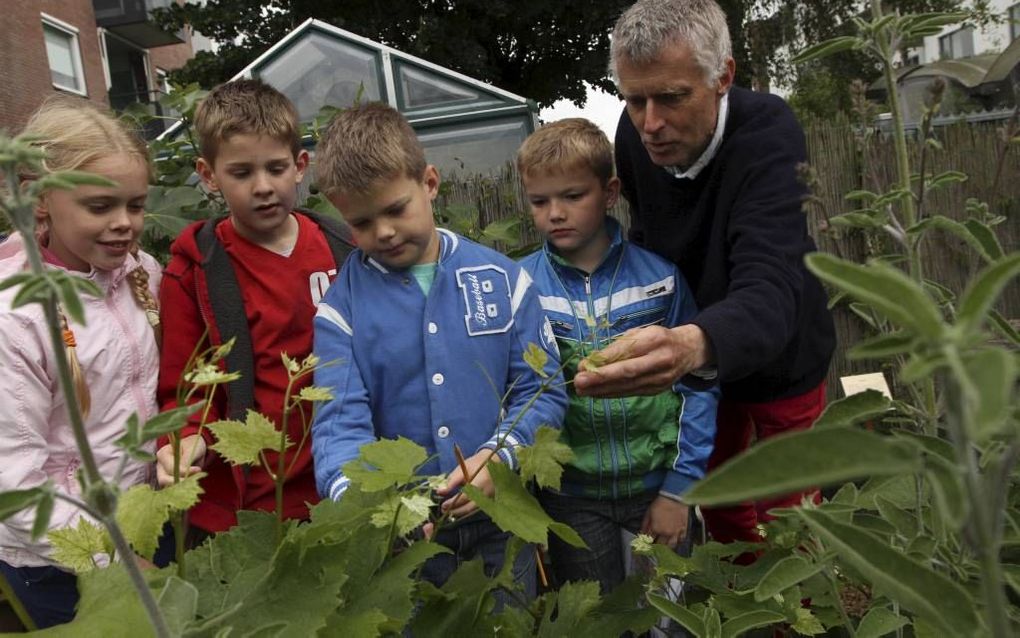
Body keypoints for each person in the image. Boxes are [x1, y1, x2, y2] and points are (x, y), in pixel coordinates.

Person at [573, 0, 837, 545]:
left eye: (671, 97)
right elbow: (649, 246)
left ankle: (801, 624)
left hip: (779, 351)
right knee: (720, 504)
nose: (650, 123)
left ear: (723, 77)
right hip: (696, 371)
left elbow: (771, 279)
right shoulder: (635, 135)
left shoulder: (767, 135)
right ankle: (746, 617)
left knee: (795, 517)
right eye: (634, 98)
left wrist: (693, 344)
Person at [309, 102, 567, 596]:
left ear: (429, 183)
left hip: (501, 521)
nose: (382, 232)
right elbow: (339, 424)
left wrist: (498, 457)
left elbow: (544, 391)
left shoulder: (503, 280)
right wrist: (371, 513)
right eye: (361, 223)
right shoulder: (340, 311)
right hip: (406, 536)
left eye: (395, 209)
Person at [516, 118, 717, 593]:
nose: (555, 214)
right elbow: (517, 394)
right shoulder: (520, 287)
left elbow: (700, 385)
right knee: (598, 618)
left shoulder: (660, 279)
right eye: (540, 202)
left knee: (673, 615)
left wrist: (679, 489)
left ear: (609, 193)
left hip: (656, 486)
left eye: (572, 196)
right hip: (572, 498)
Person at [155, 79, 354, 538]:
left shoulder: (345, 252)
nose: (263, 187)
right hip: (247, 505)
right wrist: (183, 442)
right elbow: (186, 388)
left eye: (276, 168)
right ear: (208, 175)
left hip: (340, 487)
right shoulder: (195, 271)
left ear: (300, 165)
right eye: (242, 173)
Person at [0, 97, 163, 627]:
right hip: (57, 555)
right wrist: (110, 557)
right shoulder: (17, 317)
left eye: (135, 206)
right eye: (100, 207)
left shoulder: (143, 273)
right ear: (39, 199)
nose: (123, 224)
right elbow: (15, 480)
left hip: (141, 520)